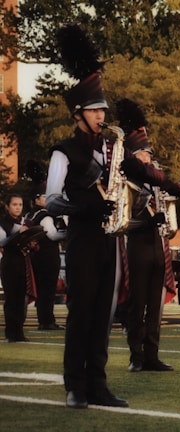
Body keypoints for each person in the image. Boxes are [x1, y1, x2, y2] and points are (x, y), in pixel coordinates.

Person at [45, 24, 128, 409]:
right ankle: (74, 384)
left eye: (103, 110)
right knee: (81, 313)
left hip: (108, 240)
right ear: (78, 113)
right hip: (81, 239)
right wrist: (85, 208)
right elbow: (52, 200)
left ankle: (98, 382)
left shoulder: (110, 153)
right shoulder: (63, 151)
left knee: (102, 315)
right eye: (96, 110)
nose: (101, 116)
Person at [115, 98, 180, 373]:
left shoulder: (156, 184)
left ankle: (152, 355)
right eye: (143, 154)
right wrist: (151, 219)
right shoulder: (126, 184)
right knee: (137, 305)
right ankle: (136, 356)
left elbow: (173, 199)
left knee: (156, 307)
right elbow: (125, 222)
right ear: (133, 156)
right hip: (137, 246)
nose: (148, 158)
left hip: (158, 247)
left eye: (149, 154)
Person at [25, 162, 67, 331]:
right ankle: (47, 321)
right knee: (47, 290)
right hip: (47, 256)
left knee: (44, 289)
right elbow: (52, 234)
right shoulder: (44, 214)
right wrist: (70, 234)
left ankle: (45, 319)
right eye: (44, 197)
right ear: (37, 199)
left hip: (37, 255)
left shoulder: (31, 214)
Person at [0, 193, 42, 342]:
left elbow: (35, 244)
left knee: (21, 299)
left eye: (20, 205)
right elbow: (3, 242)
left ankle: (19, 332)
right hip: (10, 263)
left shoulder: (28, 222)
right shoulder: (3, 222)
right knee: (11, 299)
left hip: (24, 263)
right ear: (7, 206)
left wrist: (33, 242)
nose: (18, 208)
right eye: (14, 204)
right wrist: (19, 233)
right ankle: (11, 333)